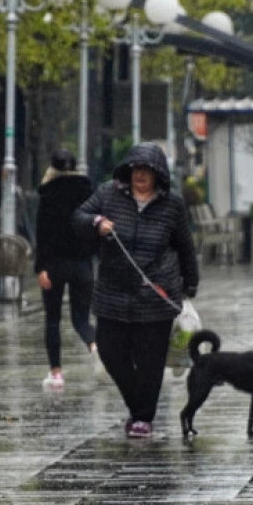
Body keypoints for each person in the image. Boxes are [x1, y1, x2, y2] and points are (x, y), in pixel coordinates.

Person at [74, 143, 199, 438]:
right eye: (135, 170)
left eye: (147, 171)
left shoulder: (173, 205)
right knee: (110, 351)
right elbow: (78, 217)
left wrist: (190, 283)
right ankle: (137, 404)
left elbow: (185, 247)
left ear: (158, 175)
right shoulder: (108, 194)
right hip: (112, 293)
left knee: (150, 360)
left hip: (156, 295)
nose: (140, 175)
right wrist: (96, 222)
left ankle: (144, 418)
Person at [34, 148, 98, 389]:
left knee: (52, 319)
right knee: (81, 319)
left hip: (54, 266)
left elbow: (42, 235)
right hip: (82, 265)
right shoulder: (87, 193)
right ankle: (95, 346)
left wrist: (40, 268)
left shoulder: (47, 194)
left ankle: (56, 374)